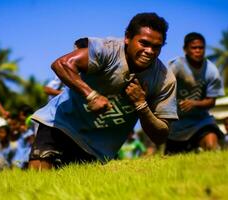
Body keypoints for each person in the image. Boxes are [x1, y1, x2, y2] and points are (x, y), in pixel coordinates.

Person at [29, 12, 178, 170]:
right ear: (127, 37)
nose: (150, 51)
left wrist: (141, 105)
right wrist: (92, 96)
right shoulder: (108, 49)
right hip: (61, 124)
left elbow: (161, 135)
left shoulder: (164, 80)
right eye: (144, 43)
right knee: (38, 176)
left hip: (95, 146)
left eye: (156, 47)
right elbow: (61, 64)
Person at [165, 32, 225, 154]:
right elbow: (162, 89)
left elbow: (212, 101)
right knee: (171, 160)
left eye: (201, 47)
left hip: (200, 122)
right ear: (185, 49)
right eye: (194, 48)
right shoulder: (176, 66)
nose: (198, 51)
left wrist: (194, 103)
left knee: (213, 147)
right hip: (176, 125)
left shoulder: (211, 71)